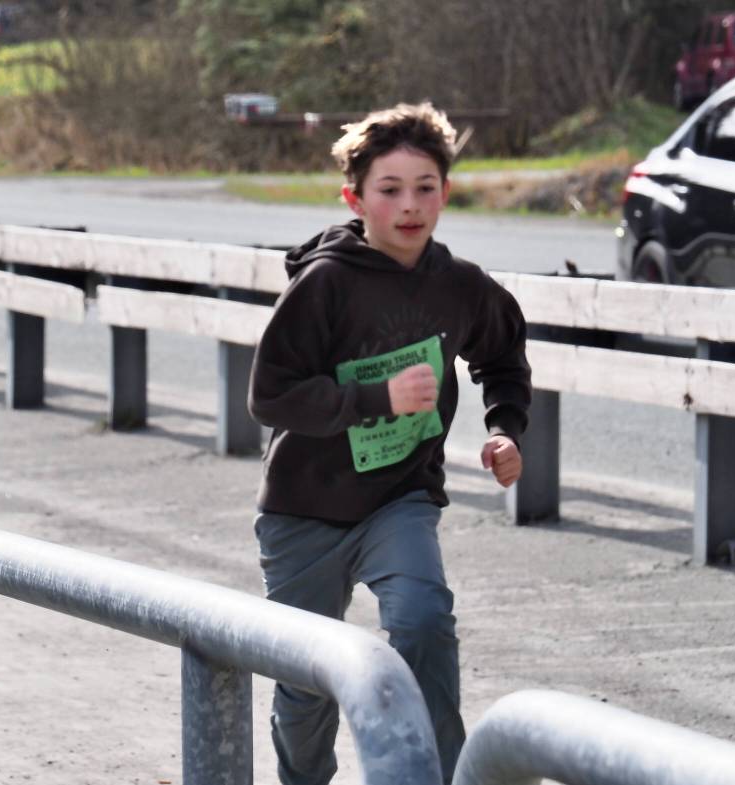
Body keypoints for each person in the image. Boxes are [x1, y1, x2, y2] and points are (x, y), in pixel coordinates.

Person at [248, 101, 532, 785]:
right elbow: (270, 394)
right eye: (390, 189)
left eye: (425, 188)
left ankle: (438, 776)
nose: (410, 206)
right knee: (306, 684)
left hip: (399, 497)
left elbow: (503, 353)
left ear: (446, 193)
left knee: (424, 622)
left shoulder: (459, 287)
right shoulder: (325, 284)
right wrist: (377, 399)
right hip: (304, 508)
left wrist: (504, 428)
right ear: (355, 198)